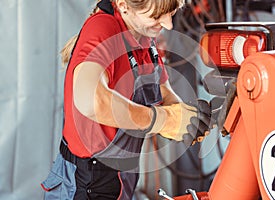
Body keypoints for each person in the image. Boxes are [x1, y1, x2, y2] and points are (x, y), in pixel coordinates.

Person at [41, 0, 212, 199]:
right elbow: (90, 101)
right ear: (124, 5)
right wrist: (162, 120)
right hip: (86, 182)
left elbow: (162, 91)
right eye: (156, 16)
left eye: (171, 12)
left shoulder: (143, 34)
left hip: (123, 177)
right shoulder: (103, 29)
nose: (169, 25)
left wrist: (189, 117)